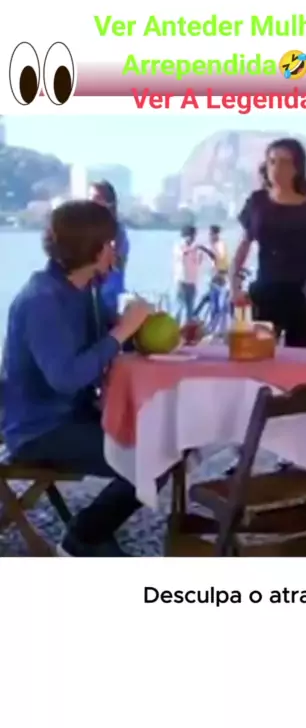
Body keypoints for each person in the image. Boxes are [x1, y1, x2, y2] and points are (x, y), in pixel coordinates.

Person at [0, 200, 154, 557]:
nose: (117, 251)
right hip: (39, 430)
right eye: (111, 243)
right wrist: (121, 332)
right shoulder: (42, 300)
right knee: (152, 457)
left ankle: (91, 532)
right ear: (95, 249)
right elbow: (66, 378)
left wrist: (146, 331)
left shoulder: (83, 289)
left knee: (164, 440)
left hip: (75, 415)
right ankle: (82, 538)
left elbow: (102, 343)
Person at [230, 138, 306, 348]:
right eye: (272, 161)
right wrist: (234, 287)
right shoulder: (258, 202)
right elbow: (242, 248)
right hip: (266, 294)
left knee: (303, 360)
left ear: (298, 167)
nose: (277, 168)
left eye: (285, 162)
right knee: (258, 356)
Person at [89, 180, 130, 316]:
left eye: (96, 198)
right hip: (87, 296)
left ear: (108, 202)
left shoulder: (117, 231)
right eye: (90, 198)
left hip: (109, 297)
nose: (91, 202)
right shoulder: (86, 229)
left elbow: (116, 263)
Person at [195, 225, 230, 322]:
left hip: (220, 276)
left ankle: (214, 321)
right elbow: (202, 261)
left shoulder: (220, 245)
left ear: (216, 234)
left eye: (212, 234)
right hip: (213, 276)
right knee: (211, 299)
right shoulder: (212, 245)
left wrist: (204, 249)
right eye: (209, 234)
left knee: (215, 302)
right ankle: (199, 315)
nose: (210, 236)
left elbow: (216, 257)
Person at [173, 225, 204, 323]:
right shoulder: (179, 246)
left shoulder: (196, 249)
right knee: (178, 308)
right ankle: (174, 328)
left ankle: (188, 330)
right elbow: (183, 255)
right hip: (182, 282)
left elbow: (198, 263)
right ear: (185, 236)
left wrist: (200, 254)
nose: (193, 238)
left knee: (190, 310)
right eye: (191, 236)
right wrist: (192, 249)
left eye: (194, 236)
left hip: (192, 282)